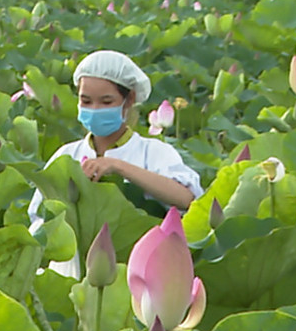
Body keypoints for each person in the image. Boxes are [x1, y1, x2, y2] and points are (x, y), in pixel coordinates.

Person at [35, 49, 202, 220]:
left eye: (106, 101)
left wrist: (118, 166)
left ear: (129, 99)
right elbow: (38, 216)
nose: (94, 109)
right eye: (86, 101)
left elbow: (187, 199)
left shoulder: (153, 152)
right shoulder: (67, 154)